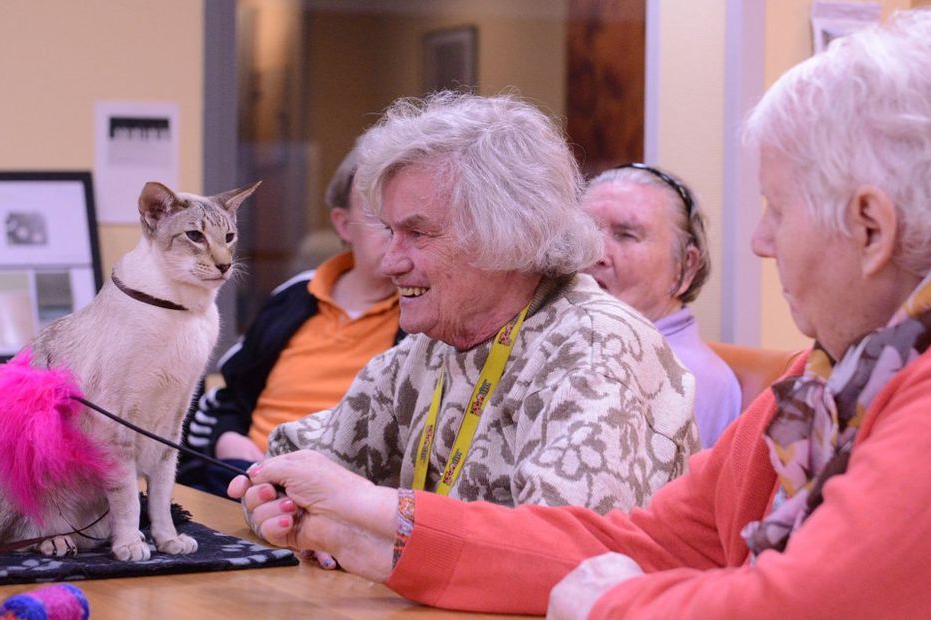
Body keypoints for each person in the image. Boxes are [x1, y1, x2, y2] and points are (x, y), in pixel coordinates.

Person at [231, 8, 931, 617]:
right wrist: (391, 535)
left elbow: (802, 605)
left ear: (872, 230)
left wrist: (607, 603)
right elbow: (649, 541)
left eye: (778, 210)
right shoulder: (827, 376)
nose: (759, 241)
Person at [260, 92, 698, 520]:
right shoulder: (437, 342)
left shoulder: (598, 349)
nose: (391, 262)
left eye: (418, 234)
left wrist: (369, 512)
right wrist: (276, 500)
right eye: (389, 231)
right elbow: (289, 466)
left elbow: (559, 551)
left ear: (508, 235)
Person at [179, 144, 403, 496]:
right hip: (244, 475)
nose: (395, 230)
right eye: (378, 215)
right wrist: (227, 438)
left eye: (407, 217)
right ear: (344, 226)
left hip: (345, 490)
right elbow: (230, 394)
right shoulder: (296, 297)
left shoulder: (423, 315)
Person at [581, 165, 742, 447]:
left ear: (686, 266)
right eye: (585, 230)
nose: (596, 252)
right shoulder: (581, 342)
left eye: (626, 235)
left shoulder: (686, 379)